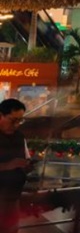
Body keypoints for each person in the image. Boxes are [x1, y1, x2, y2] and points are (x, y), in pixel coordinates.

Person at [0, 100, 30, 233]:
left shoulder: (19, 137)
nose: (16, 125)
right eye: (13, 120)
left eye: (20, 121)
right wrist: (7, 166)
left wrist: (26, 166)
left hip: (13, 196)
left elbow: (25, 157)